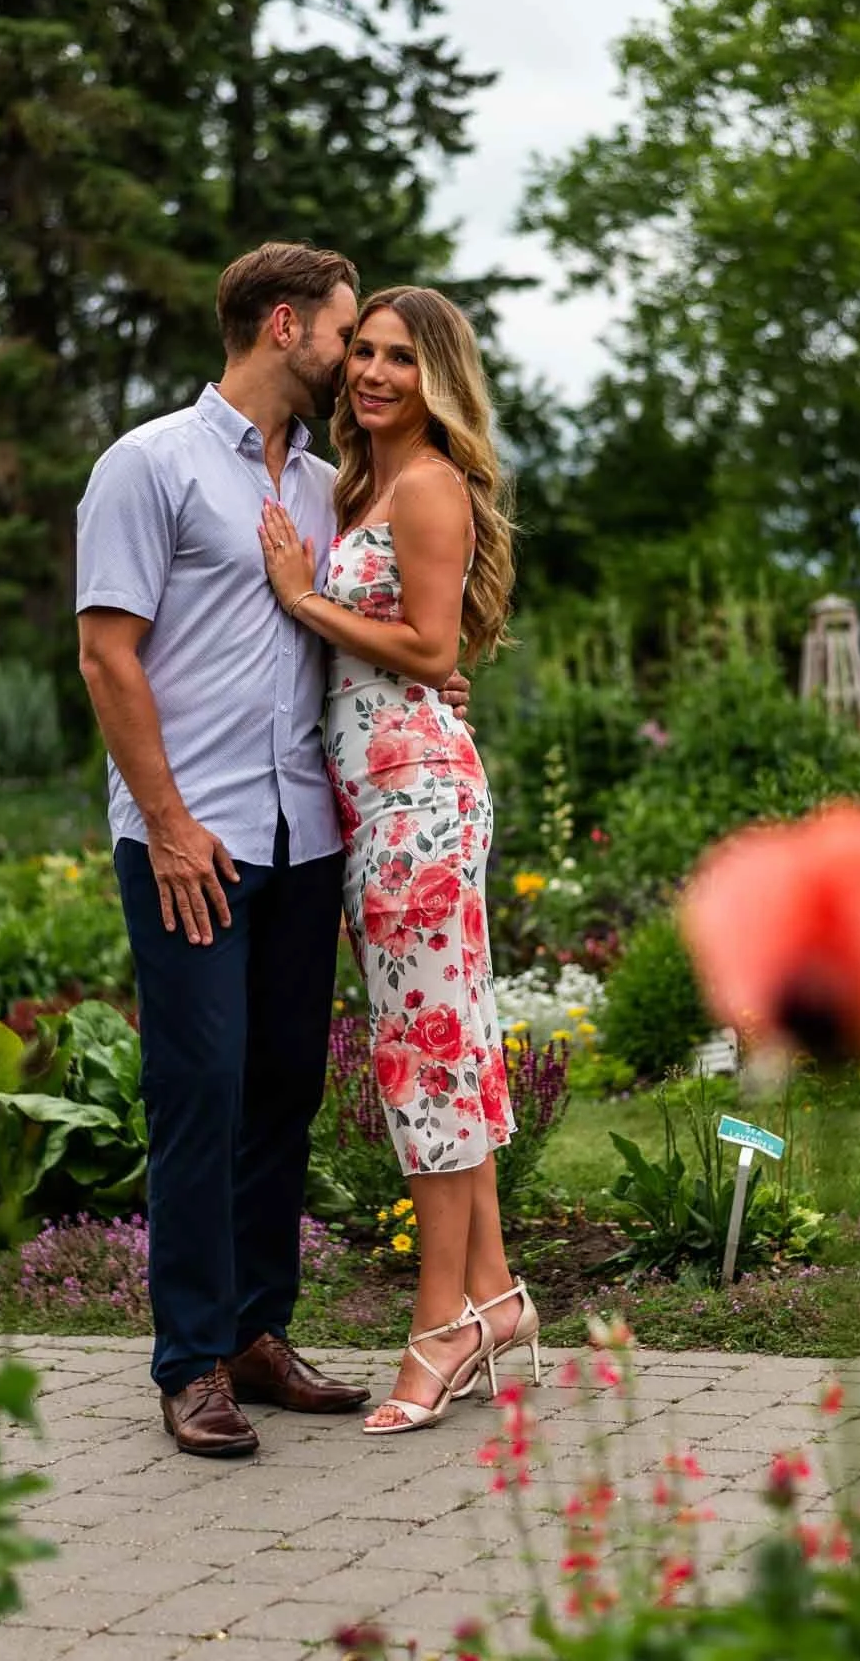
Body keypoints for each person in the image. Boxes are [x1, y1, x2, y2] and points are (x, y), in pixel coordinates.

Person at [75, 243, 470, 1457]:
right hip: (193, 839)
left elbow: (375, 618)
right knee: (197, 1092)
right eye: (347, 337)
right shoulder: (146, 466)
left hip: (304, 838)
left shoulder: (320, 485)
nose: (356, 360)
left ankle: (256, 1332)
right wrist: (171, 822)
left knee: (282, 1092)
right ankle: (189, 1360)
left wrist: (428, 664)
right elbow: (106, 654)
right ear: (284, 325)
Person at [258, 286, 539, 1436]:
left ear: (437, 381)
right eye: (362, 352)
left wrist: (302, 600)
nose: (371, 373)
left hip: (415, 797)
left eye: (398, 361)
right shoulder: (360, 482)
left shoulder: (426, 487)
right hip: (377, 792)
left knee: (423, 1059)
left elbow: (428, 646)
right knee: (446, 1047)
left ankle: (439, 1328)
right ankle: (494, 1297)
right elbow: (421, 654)